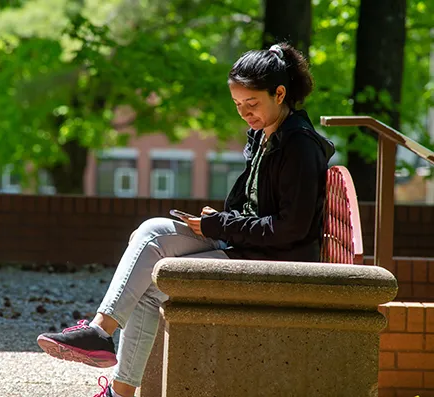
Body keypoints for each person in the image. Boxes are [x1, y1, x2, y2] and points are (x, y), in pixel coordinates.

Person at [37, 42, 335, 397]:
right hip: (249, 246)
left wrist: (220, 225)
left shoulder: (299, 146)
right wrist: (221, 219)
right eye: (238, 105)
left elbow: (290, 229)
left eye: (251, 104)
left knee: (150, 276)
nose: (244, 113)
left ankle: (101, 341)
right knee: (150, 233)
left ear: (280, 93)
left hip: (274, 263)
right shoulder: (264, 136)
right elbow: (259, 210)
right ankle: (105, 350)